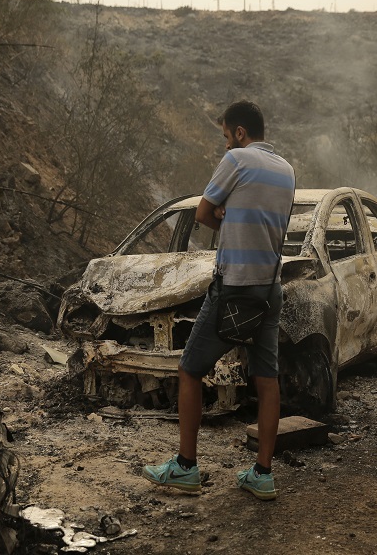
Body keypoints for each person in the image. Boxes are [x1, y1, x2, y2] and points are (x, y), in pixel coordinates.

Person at [142, 101, 295, 501]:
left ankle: (186, 468)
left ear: (240, 133)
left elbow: (203, 214)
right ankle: (262, 474)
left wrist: (224, 215)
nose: (226, 143)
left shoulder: (237, 161)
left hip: (234, 288)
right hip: (270, 288)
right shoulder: (287, 170)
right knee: (267, 379)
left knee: (190, 369)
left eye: (226, 136)